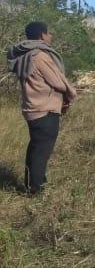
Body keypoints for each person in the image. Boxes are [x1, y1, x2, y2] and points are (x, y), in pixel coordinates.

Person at [6, 21, 77, 194]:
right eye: (48, 32)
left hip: (32, 108)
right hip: (44, 109)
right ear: (42, 35)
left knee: (35, 147)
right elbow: (57, 81)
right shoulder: (39, 56)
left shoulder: (25, 54)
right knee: (42, 150)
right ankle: (36, 189)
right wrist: (72, 93)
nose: (50, 35)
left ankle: (32, 183)